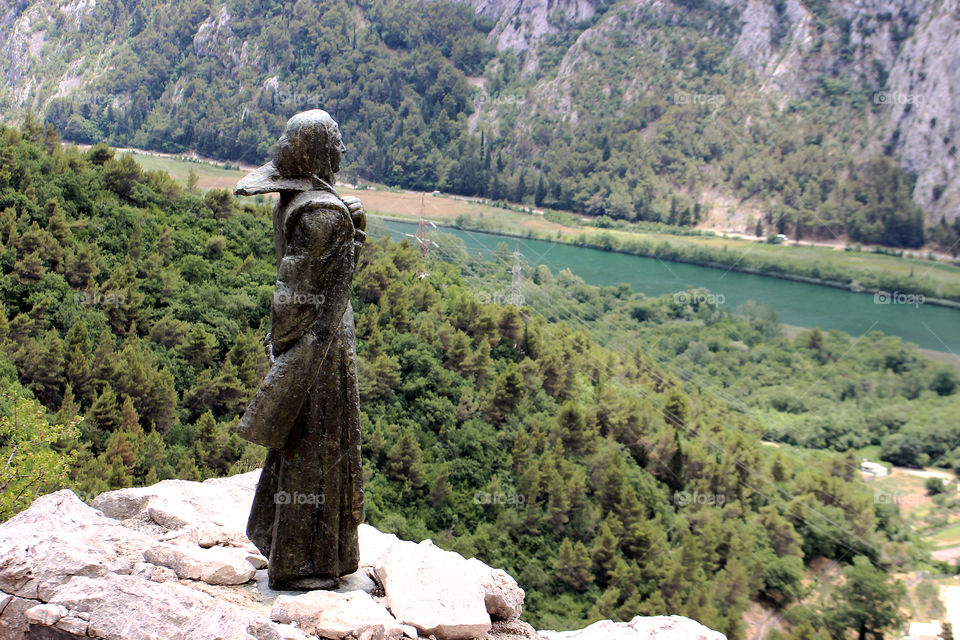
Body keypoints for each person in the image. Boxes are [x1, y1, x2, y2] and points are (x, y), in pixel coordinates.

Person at [233, 110, 365, 590]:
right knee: (319, 445)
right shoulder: (322, 215)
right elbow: (298, 293)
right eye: (337, 143)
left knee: (307, 444)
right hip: (322, 352)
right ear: (320, 152)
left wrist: (348, 227)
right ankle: (303, 563)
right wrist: (292, 354)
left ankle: (296, 547)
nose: (343, 152)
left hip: (314, 344)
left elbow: (309, 278)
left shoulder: (304, 203)